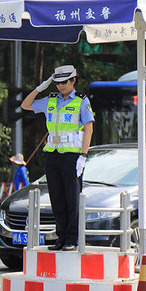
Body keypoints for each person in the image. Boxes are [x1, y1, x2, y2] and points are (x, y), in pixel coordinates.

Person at [21, 65, 94, 251]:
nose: (60, 86)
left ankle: (72, 238)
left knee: (72, 198)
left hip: (72, 155)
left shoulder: (81, 101)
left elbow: (89, 128)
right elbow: (25, 105)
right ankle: (61, 237)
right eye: (57, 82)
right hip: (52, 154)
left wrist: (83, 156)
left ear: (73, 80)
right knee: (57, 197)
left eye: (64, 82)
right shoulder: (50, 100)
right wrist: (40, 88)